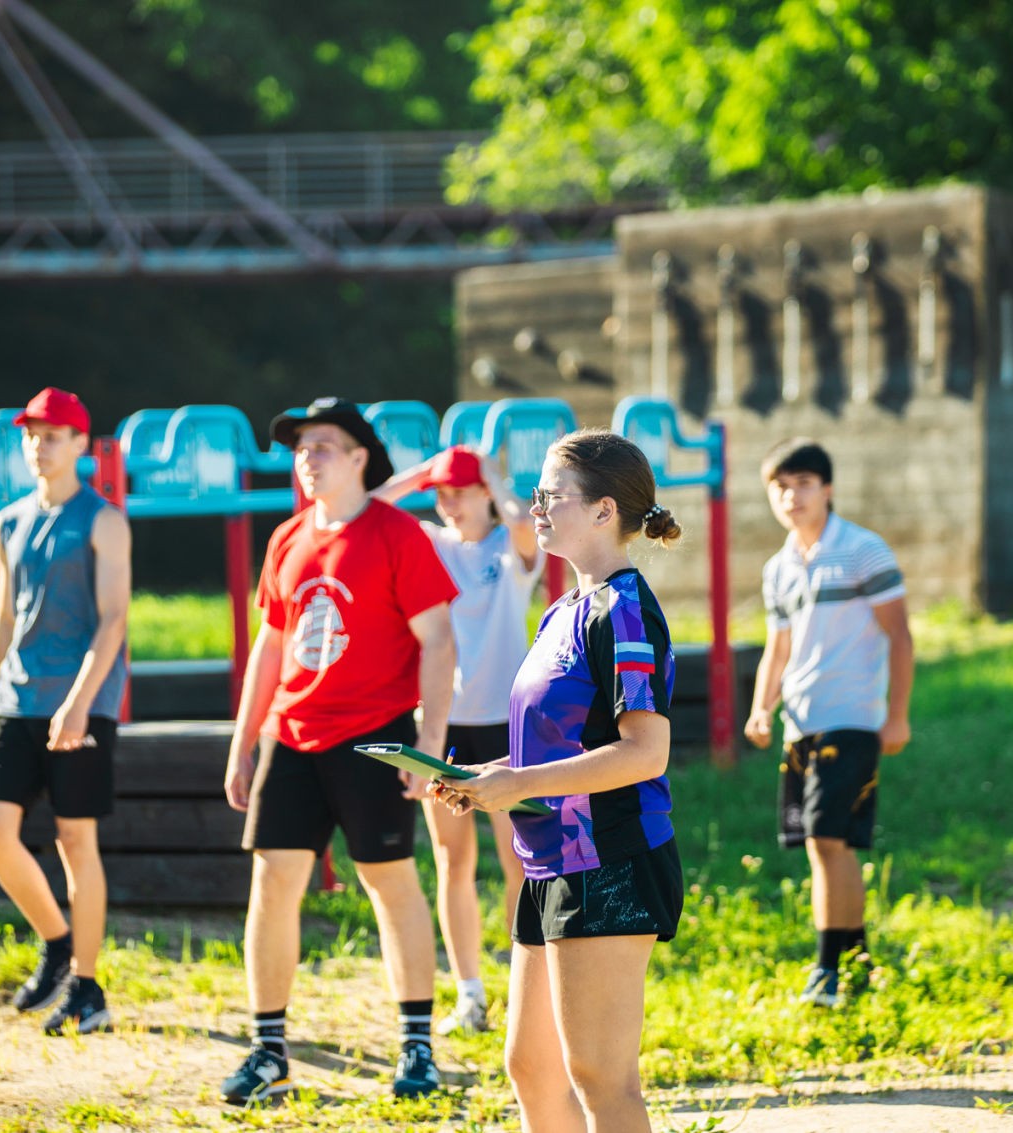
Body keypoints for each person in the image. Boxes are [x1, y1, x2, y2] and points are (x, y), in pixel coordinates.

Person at [433, 429, 682, 1133]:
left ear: (605, 510)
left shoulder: (624, 610)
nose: (535, 507)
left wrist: (520, 783)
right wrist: (489, 778)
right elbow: (555, 743)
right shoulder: (562, 608)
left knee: (601, 1078)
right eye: (535, 493)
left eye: (551, 495)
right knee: (532, 1068)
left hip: (609, 858)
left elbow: (646, 753)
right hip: (549, 860)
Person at [220, 397, 457, 1104]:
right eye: (300, 447)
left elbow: (438, 640)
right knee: (272, 884)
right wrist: (243, 742)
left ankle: (417, 1046)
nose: (307, 457)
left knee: (389, 881)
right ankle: (268, 1050)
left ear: (359, 457)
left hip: (376, 735)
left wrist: (430, 740)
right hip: (292, 735)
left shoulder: (397, 533)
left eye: (322, 445)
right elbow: (270, 647)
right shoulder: (287, 538)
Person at [0, 386, 130, 1036]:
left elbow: (114, 619)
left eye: (53, 435)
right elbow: (4, 615)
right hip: (18, 700)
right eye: (32, 435)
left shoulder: (103, 520)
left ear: (80, 444)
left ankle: (88, 988)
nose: (40, 446)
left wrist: (80, 704)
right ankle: (59, 942)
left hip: (81, 701)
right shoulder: (7, 521)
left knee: (75, 840)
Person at [374, 445, 540, 1035]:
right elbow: (368, 510)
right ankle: (470, 994)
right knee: (452, 860)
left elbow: (522, 523)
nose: (449, 504)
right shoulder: (430, 543)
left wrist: (490, 475)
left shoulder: (509, 547)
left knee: (520, 859)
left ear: (486, 494)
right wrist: (421, 475)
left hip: (508, 724)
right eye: (442, 494)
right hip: (444, 722)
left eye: (460, 492)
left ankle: (527, 988)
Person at [743, 439, 914, 1007]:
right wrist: (762, 707)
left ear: (828, 489)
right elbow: (778, 649)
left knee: (825, 842)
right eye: (781, 486)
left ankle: (826, 972)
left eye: (804, 484)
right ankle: (859, 960)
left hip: (853, 718)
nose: (792, 497)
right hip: (801, 723)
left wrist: (896, 716)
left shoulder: (864, 550)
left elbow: (900, 636)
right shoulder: (778, 568)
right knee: (830, 847)